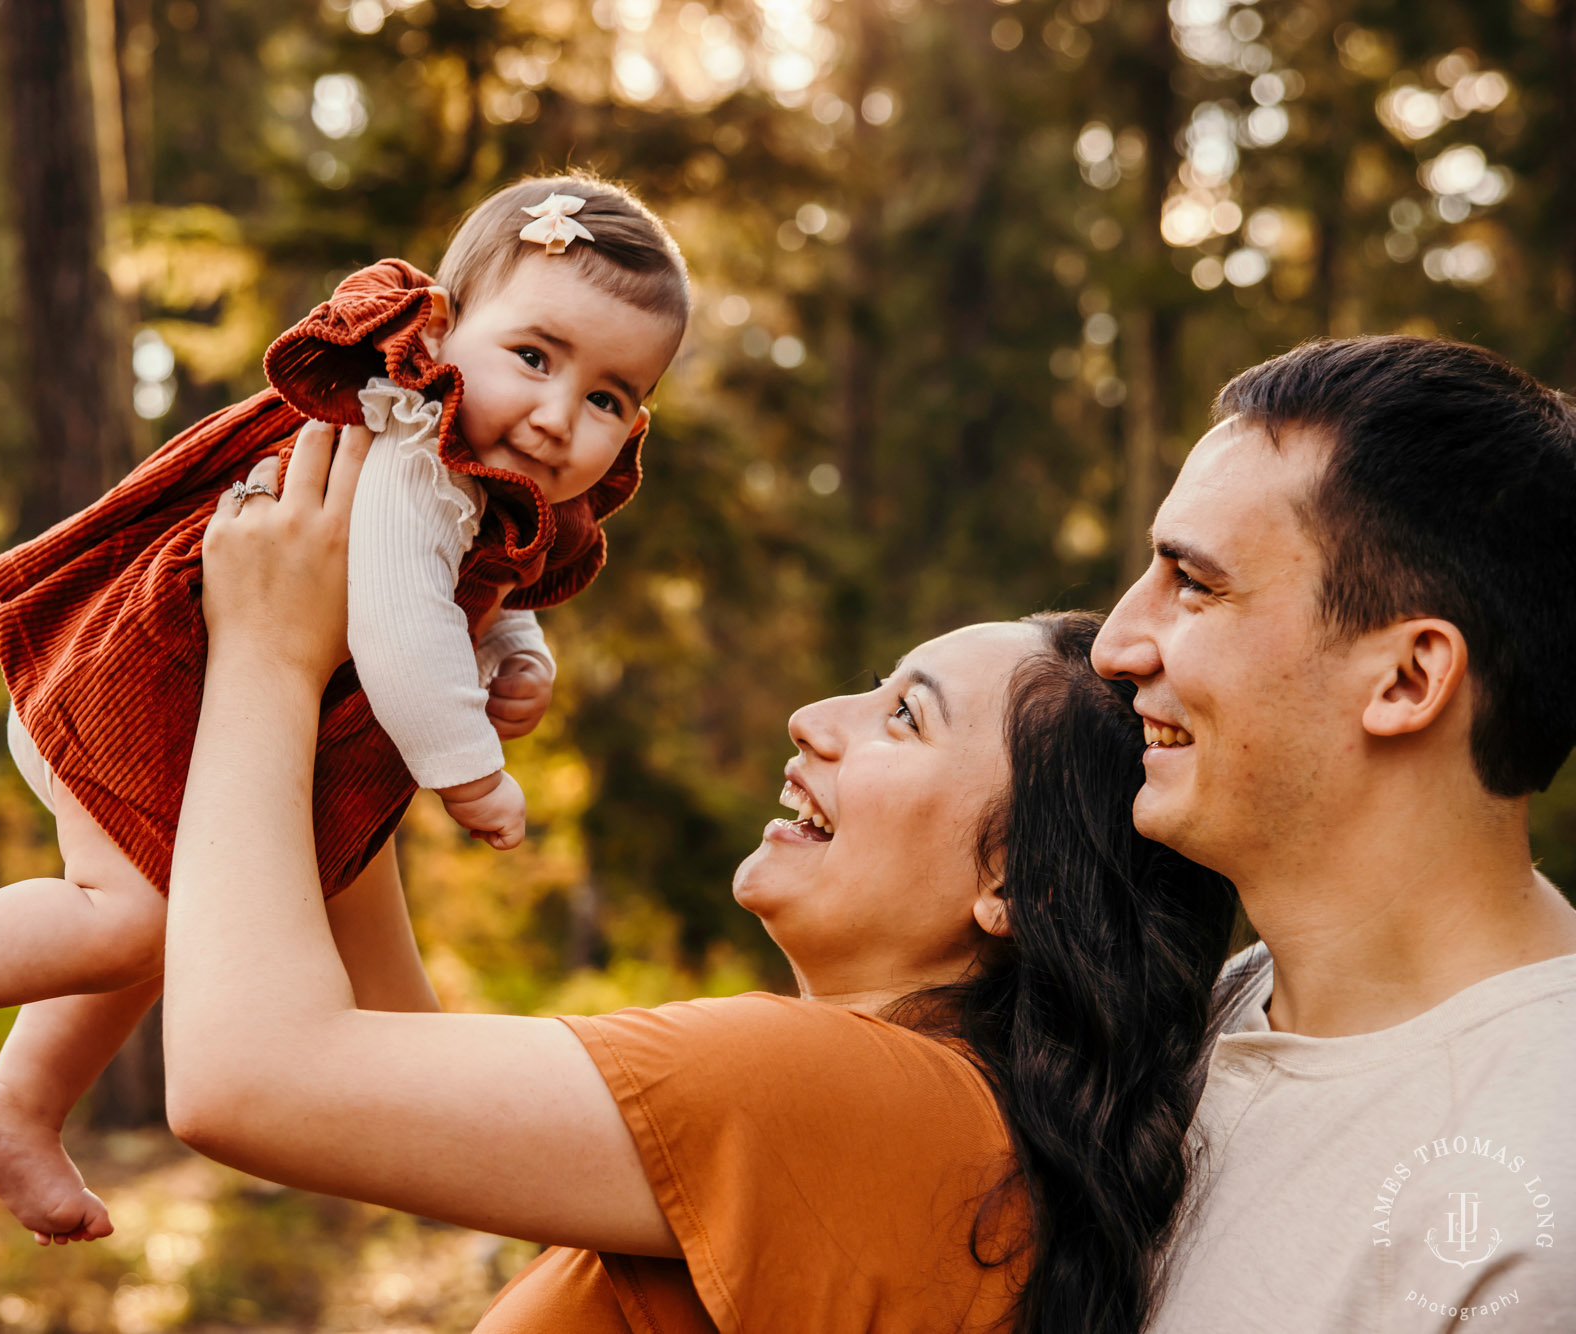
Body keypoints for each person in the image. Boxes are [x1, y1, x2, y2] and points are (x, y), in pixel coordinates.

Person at [159, 423, 1239, 1333]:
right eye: (871, 687)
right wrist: (360, 716)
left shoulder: (847, 1093)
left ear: (1016, 883)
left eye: (902, 716)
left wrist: (264, 646)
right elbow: (393, 1085)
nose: (813, 720)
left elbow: (246, 1079)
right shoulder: (943, 1130)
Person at [0, 174, 691, 1244]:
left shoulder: (472, 471)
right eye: (534, 358)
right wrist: (469, 770)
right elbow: (403, 632)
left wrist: (511, 644)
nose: (556, 416)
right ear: (442, 334)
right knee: (133, 915)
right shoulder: (414, 453)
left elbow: (463, 581)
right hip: (143, 680)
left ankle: (19, 1106)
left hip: (207, 698)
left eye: (607, 398)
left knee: (184, 911)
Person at [1092, 335, 1576, 1330]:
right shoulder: (1202, 1017)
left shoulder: (1536, 1206)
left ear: (1404, 678)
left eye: (1193, 582)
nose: (1112, 643)